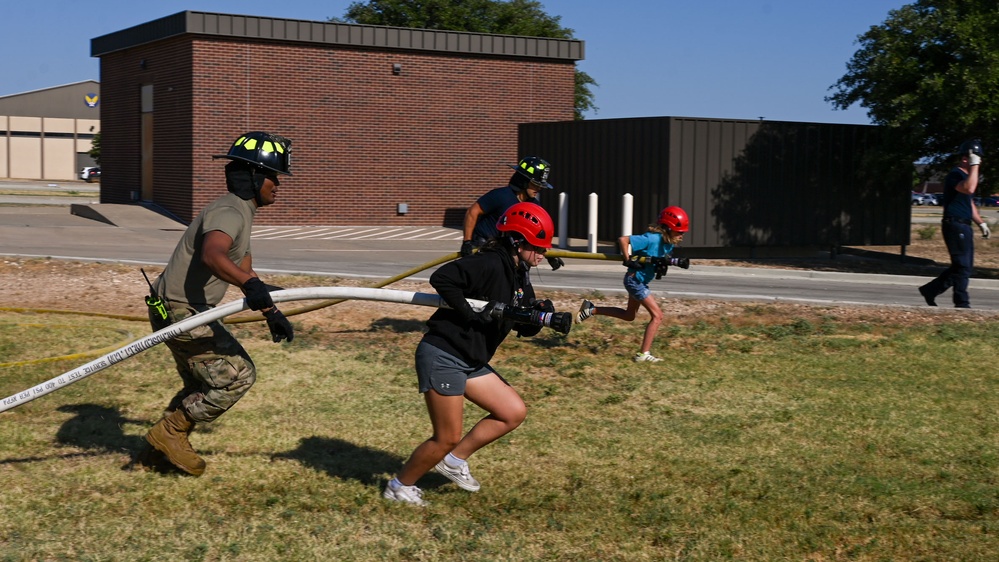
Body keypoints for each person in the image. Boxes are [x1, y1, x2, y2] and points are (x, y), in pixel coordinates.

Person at [133, 131, 295, 476]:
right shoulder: (230, 210)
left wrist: (272, 311)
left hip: (178, 309)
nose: (278, 185)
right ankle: (170, 433)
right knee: (238, 376)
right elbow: (213, 255)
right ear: (253, 178)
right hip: (182, 311)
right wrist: (252, 286)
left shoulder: (240, 213)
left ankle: (154, 452)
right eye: (274, 177)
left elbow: (245, 272)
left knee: (200, 384)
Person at [385, 202, 560, 506]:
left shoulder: (520, 274)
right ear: (517, 242)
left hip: (471, 359)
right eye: (538, 246)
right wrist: (470, 313)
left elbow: (523, 328)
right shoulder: (490, 263)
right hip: (444, 354)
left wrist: (540, 317)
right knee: (446, 437)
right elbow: (442, 279)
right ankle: (400, 486)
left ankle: (453, 462)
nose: (543, 254)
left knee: (512, 412)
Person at [574, 206, 691, 362]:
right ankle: (643, 354)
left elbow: (657, 258)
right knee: (657, 316)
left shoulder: (668, 243)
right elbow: (623, 240)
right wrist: (627, 259)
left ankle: (591, 310)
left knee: (629, 316)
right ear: (668, 228)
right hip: (635, 281)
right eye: (679, 231)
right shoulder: (651, 238)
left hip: (640, 281)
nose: (682, 235)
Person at [919, 139, 990, 308]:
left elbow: (969, 202)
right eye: (976, 157)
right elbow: (969, 189)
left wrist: (981, 223)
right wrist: (974, 167)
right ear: (966, 158)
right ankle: (961, 303)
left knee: (965, 267)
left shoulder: (965, 176)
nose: (979, 161)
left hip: (965, 224)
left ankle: (931, 290)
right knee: (962, 265)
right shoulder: (955, 175)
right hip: (954, 224)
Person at [460, 156, 564, 270]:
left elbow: (537, 233)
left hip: (507, 251)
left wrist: (549, 255)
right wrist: (467, 242)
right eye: (535, 184)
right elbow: (472, 212)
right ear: (523, 181)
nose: (539, 189)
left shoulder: (533, 206)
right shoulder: (500, 196)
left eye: (541, 185)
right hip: (483, 248)